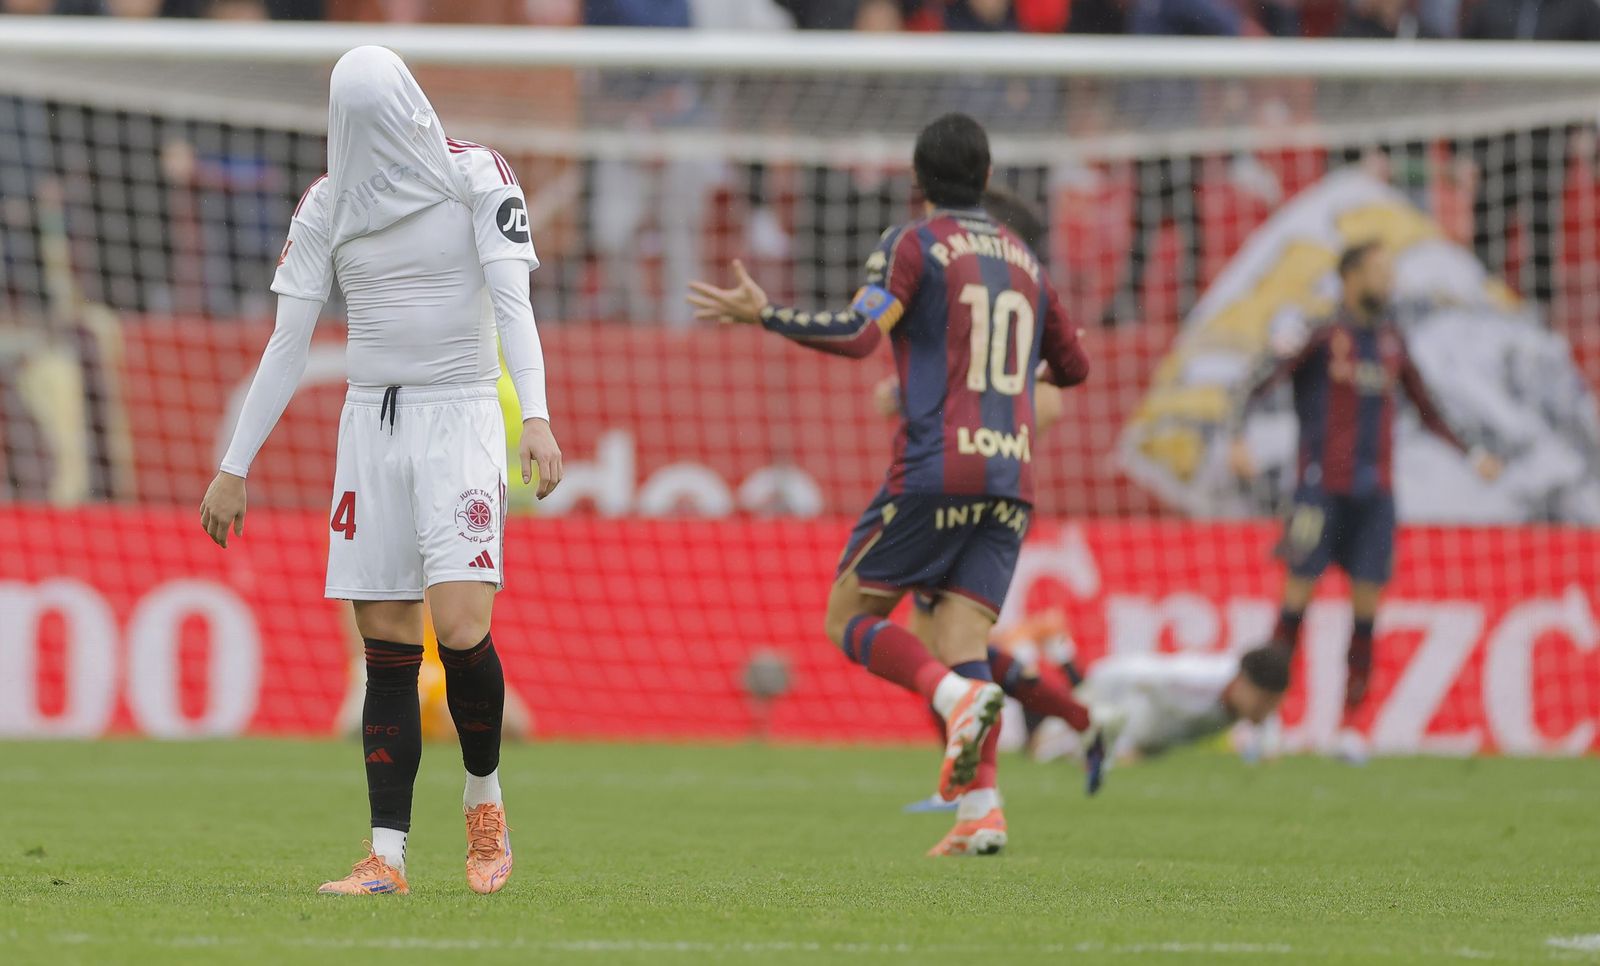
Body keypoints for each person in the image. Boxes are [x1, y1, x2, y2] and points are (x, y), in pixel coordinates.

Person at [198, 46, 563, 896]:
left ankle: (484, 803)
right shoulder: (327, 204)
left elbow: (514, 301)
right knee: (387, 646)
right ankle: (386, 859)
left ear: (409, 108)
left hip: (462, 412)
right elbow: (288, 342)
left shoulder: (477, 176)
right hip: (371, 423)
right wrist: (233, 464)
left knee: (462, 623)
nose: (367, 131)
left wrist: (536, 415)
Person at [688, 113, 1092, 857]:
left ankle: (952, 698)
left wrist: (765, 313)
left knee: (849, 614)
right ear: (988, 176)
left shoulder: (915, 243)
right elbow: (1074, 369)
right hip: (1012, 477)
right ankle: (983, 811)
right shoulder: (1026, 260)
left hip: (939, 464)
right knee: (962, 637)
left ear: (917, 179)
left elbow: (859, 334)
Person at [1230, 241, 1500, 714]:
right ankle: (1264, 717)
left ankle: (1351, 727)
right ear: (1351, 276)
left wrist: (1473, 453)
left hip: (1376, 497)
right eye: (1379, 270)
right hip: (1319, 492)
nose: (1389, 280)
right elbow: (1256, 380)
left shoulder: (1393, 340)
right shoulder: (1317, 332)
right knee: (1295, 600)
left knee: (1367, 610)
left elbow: (1428, 407)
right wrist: (1236, 437)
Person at [1074, 646, 1290, 776]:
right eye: (1264, 702)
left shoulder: (1254, 700)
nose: (1268, 711)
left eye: (1273, 704)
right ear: (1242, 683)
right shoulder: (1196, 680)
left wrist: (1269, 750)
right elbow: (1124, 672)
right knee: (1048, 748)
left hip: (1153, 743)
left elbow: (1268, 727)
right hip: (1120, 723)